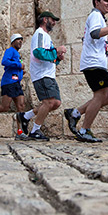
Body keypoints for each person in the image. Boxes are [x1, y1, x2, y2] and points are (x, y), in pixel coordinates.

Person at [64, 0, 108, 143]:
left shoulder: (100, 18)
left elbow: (94, 38)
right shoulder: (95, 16)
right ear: (96, 2)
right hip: (92, 64)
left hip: (98, 63)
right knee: (101, 95)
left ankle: (75, 113)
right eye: (105, 1)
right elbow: (94, 34)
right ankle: (85, 130)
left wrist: (106, 46)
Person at [20, 11, 67, 141]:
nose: (54, 22)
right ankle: (35, 130)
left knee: (56, 103)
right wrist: (56, 51)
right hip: (42, 75)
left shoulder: (46, 36)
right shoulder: (40, 34)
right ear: (45, 19)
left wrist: (57, 57)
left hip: (48, 75)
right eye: (52, 20)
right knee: (49, 102)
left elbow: (48, 56)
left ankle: (25, 116)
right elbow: (38, 52)